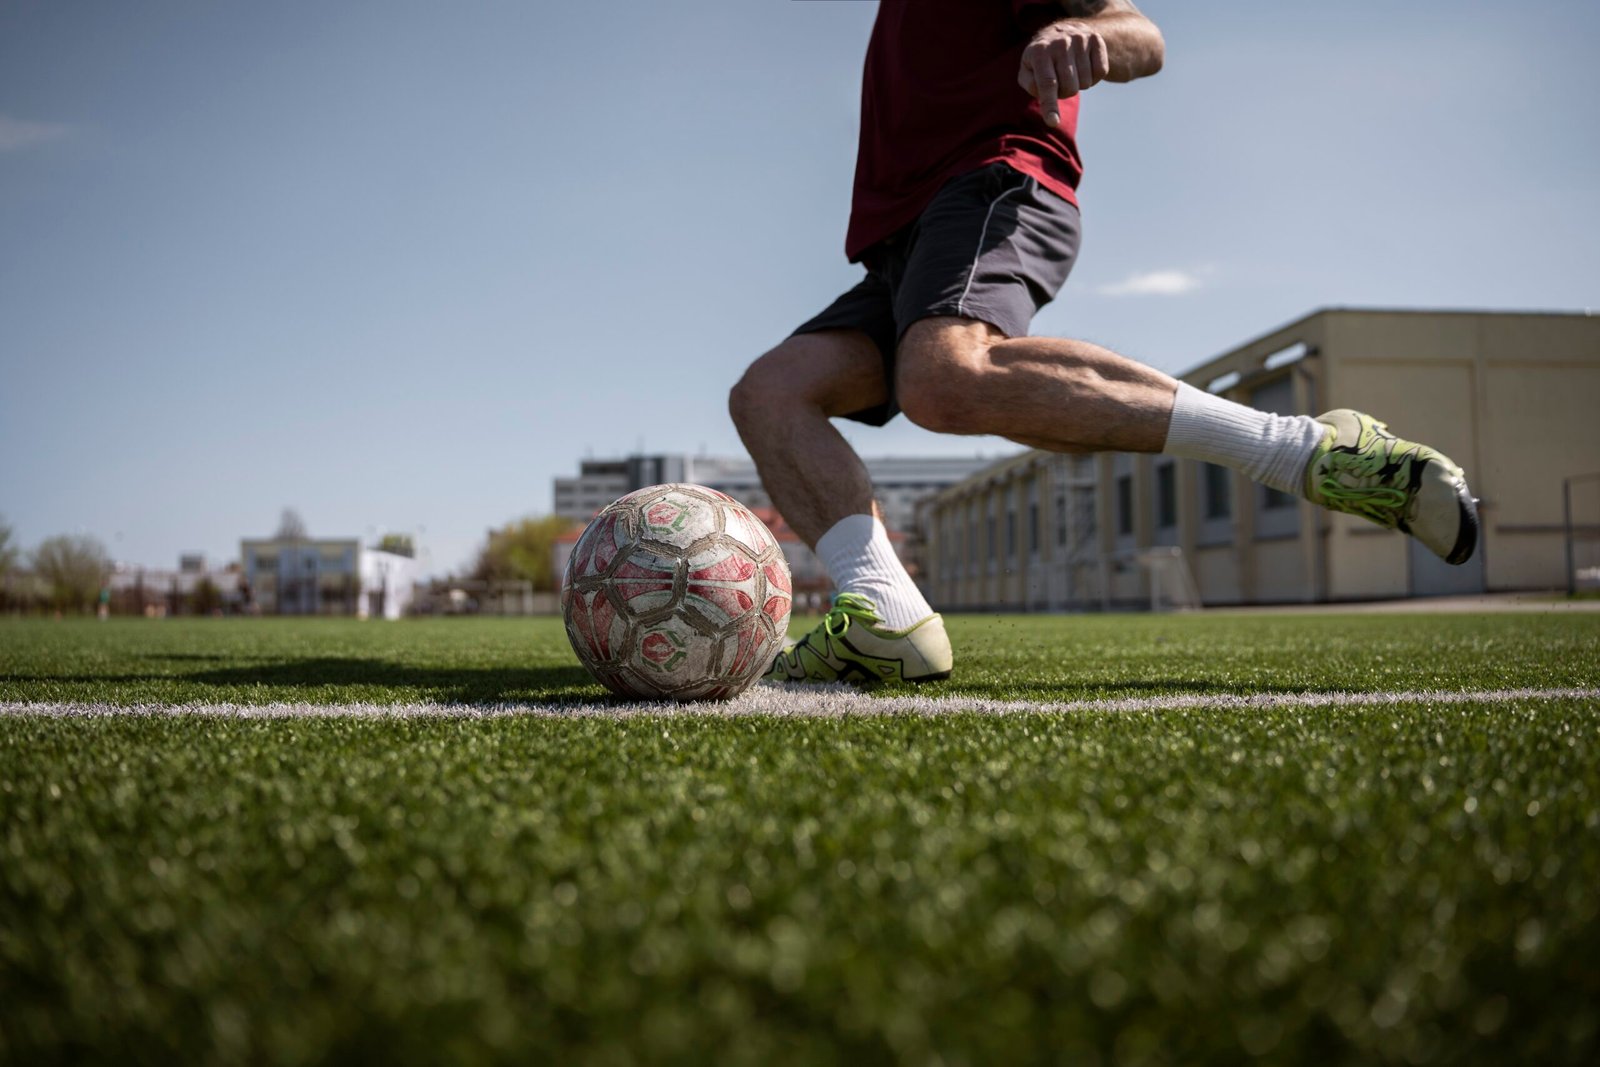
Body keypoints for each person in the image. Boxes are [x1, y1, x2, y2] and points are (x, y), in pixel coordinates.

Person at [730, 0, 1478, 685]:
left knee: (943, 376)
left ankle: (1309, 449)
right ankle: (884, 615)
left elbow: (1139, 33)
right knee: (771, 394)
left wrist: (1078, 36)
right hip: (903, 240)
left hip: (993, 180)